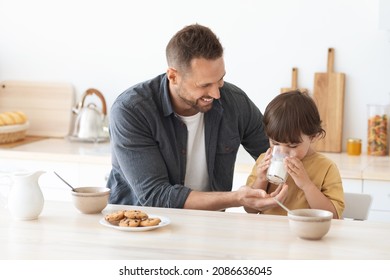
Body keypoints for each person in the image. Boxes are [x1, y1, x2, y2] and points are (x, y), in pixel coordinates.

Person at [106, 23, 288, 211]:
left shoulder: (235, 103)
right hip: (140, 225)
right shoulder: (131, 111)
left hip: (209, 225)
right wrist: (237, 198)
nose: (217, 94)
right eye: (204, 85)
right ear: (173, 76)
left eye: (220, 80)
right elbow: (156, 196)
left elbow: (278, 151)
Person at [245, 90, 344, 218]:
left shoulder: (326, 168)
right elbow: (249, 209)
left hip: (307, 233)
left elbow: (333, 216)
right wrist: (261, 179)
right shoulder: (264, 161)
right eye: (275, 143)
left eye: (292, 146)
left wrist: (306, 185)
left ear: (313, 137)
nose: (282, 151)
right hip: (269, 233)